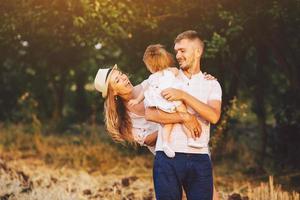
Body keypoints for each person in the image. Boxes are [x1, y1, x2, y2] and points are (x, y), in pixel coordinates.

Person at [145, 30, 222, 200]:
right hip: (166, 158)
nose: (178, 55)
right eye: (176, 51)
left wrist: (183, 95)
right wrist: (185, 117)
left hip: (199, 158)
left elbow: (214, 116)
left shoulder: (212, 84)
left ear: (197, 52)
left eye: (183, 50)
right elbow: (150, 113)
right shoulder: (165, 77)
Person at [128, 44, 203, 158]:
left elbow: (144, 91)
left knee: (172, 122)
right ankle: (188, 139)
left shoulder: (157, 76)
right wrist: (137, 100)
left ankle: (170, 142)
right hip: (172, 102)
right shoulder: (170, 71)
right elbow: (186, 76)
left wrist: (137, 100)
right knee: (182, 116)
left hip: (167, 102)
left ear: (150, 66)